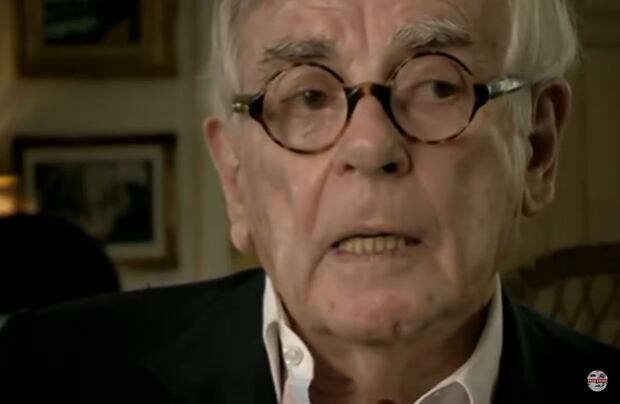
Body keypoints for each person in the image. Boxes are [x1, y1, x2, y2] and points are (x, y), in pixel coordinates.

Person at [1, 0, 619, 403]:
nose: (371, 145)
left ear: (537, 148)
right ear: (234, 174)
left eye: (438, 85)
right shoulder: (41, 376)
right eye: (308, 97)